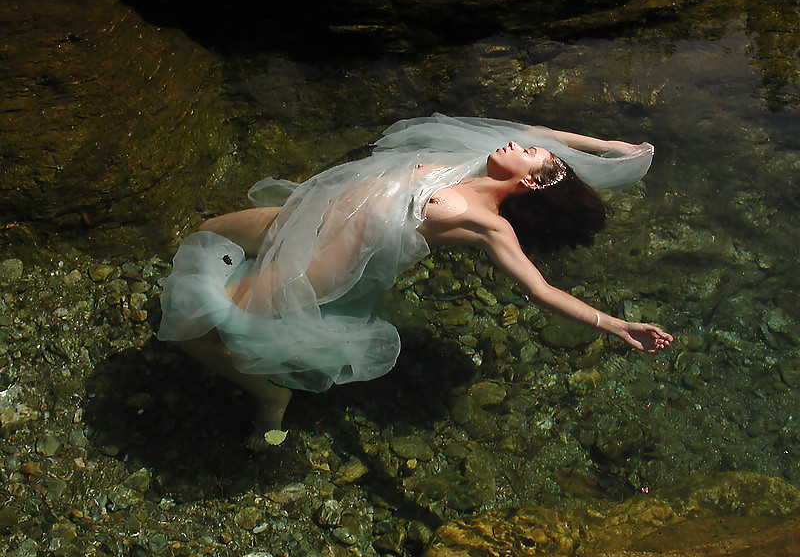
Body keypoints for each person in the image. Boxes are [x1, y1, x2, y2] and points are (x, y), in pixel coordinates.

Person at [158, 114, 672, 449]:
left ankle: (268, 396)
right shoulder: (479, 159)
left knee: (201, 325)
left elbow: (540, 290)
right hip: (309, 215)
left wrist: (616, 324)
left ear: (530, 181)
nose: (520, 141)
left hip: (326, 259)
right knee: (209, 231)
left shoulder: (487, 224)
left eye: (530, 155)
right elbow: (547, 137)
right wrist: (607, 145)